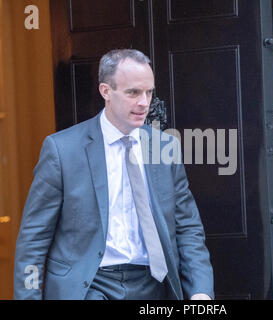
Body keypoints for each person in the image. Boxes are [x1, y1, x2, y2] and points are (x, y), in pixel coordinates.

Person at [13, 49, 214, 300]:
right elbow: (34, 238)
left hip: (152, 284)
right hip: (89, 285)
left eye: (149, 92)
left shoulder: (165, 148)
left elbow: (187, 228)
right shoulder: (62, 150)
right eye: (133, 92)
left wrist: (201, 293)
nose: (144, 102)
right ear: (105, 91)